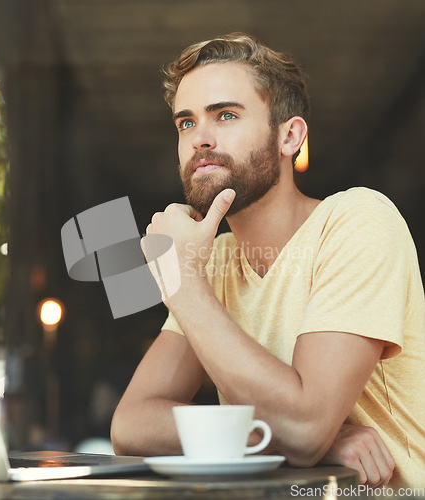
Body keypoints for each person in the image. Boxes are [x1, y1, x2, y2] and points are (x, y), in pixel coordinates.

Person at [110, 33, 425, 489]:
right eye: (186, 123)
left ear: (290, 135)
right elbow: (132, 423)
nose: (200, 138)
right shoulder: (214, 258)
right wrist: (299, 437)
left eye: (226, 115)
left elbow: (301, 431)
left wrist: (179, 281)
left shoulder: (358, 220)